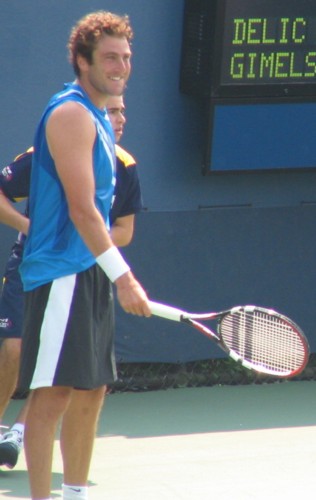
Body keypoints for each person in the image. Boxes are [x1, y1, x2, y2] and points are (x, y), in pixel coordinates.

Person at [18, 11, 151, 500]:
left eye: (127, 57)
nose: (121, 66)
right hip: (60, 273)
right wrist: (125, 277)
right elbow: (81, 208)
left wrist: (109, 272)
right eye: (110, 57)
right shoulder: (71, 113)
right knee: (50, 396)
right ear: (82, 59)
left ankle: (74, 493)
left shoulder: (100, 117)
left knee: (91, 391)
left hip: (89, 269)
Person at [0, 93, 142, 470]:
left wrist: (89, 240)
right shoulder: (47, 152)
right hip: (33, 265)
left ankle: (17, 433)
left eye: (123, 110)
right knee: (14, 351)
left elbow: (125, 230)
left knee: (60, 370)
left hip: (86, 273)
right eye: (112, 110)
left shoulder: (125, 166)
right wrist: (33, 228)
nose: (120, 117)